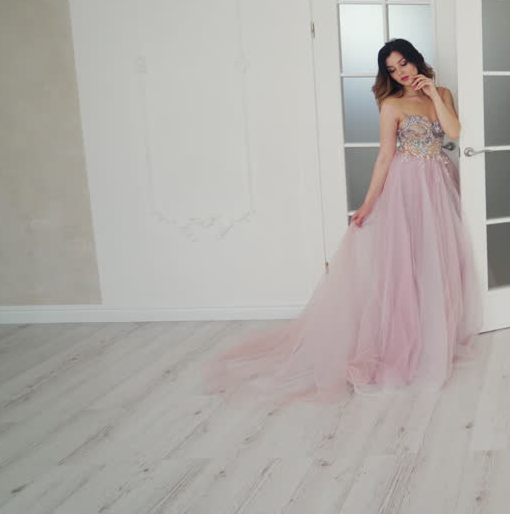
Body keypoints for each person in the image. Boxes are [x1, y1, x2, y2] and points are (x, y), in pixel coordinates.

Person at [205, 39, 482, 404]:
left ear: (416, 60)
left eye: (404, 64)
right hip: (406, 186)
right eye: (392, 69)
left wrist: (432, 92)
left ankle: (435, 335)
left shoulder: (441, 93)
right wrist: (368, 204)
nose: (400, 73)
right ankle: (404, 341)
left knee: (438, 261)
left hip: (438, 183)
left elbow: (454, 132)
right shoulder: (392, 104)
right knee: (405, 264)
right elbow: (384, 157)